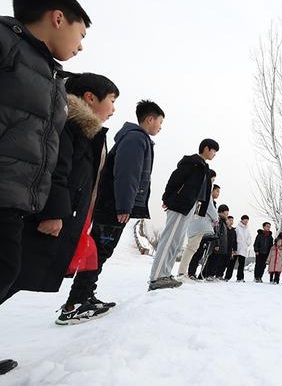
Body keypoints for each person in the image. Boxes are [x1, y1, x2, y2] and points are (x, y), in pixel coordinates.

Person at [0, 0, 90, 376]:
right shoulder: (6, 45)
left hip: (15, 196)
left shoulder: (51, 76)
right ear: (58, 18)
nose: (81, 45)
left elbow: (47, 147)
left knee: (6, 267)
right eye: (81, 33)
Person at [4, 73, 114, 326]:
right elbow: (55, 170)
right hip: (41, 217)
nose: (113, 108)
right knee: (12, 273)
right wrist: (54, 213)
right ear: (90, 98)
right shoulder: (66, 126)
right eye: (111, 100)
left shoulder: (83, 131)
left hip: (57, 217)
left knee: (15, 276)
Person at [60, 99, 164, 320]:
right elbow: (127, 174)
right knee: (99, 252)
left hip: (111, 204)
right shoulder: (136, 138)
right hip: (113, 205)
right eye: (160, 123)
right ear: (150, 119)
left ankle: (84, 296)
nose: (160, 128)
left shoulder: (135, 138)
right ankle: (76, 303)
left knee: (99, 251)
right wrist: (125, 205)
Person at [149, 139, 218, 290]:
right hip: (180, 205)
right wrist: (167, 198)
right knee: (169, 240)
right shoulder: (192, 163)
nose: (214, 154)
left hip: (190, 207)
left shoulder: (204, 167)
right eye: (213, 151)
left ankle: (165, 274)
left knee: (177, 242)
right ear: (206, 148)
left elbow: (204, 194)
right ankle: (156, 277)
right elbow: (174, 180)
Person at [177, 175, 216, 279]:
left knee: (191, 248)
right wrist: (215, 218)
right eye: (213, 179)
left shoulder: (198, 187)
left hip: (193, 223)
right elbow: (209, 207)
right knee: (191, 248)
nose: (213, 181)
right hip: (198, 224)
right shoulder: (206, 188)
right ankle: (182, 272)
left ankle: (183, 272)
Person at [202, 204, 229, 280]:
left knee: (216, 261)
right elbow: (216, 232)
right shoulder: (218, 220)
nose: (227, 214)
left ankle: (209, 275)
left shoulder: (223, 221)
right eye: (226, 212)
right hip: (217, 245)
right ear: (222, 212)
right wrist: (217, 244)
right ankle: (208, 275)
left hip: (221, 246)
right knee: (212, 260)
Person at [231, 215, 251, 282]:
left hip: (243, 249)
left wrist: (247, 244)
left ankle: (240, 278)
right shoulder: (237, 228)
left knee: (241, 264)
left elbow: (249, 238)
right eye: (245, 220)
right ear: (242, 220)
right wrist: (234, 248)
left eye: (247, 220)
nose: (246, 221)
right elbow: (234, 238)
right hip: (236, 249)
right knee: (232, 264)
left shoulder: (247, 229)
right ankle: (227, 277)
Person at [223, 216, 238, 281]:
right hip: (223, 247)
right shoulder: (224, 228)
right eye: (230, 220)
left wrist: (234, 249)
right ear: (227, 221)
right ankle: (218, 275)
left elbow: (235, 240)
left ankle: (226, 277)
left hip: (230, 249)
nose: (231, 222)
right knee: (221, 263)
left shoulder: (233, 230)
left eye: (232, 220)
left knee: (227, 263)